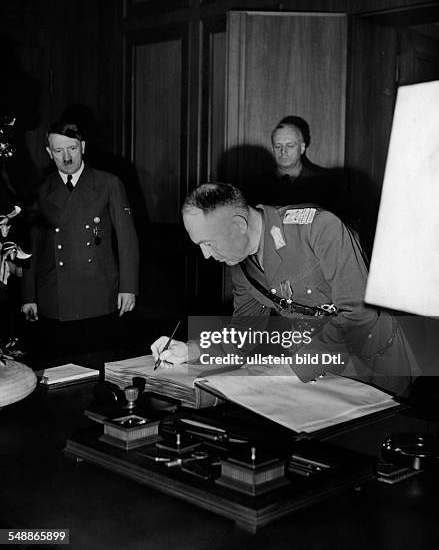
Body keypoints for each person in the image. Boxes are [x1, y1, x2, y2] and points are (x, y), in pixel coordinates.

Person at [151, 182, 419, 396]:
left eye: (208, 243)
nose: (206, 255)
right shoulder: (241, 263)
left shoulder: (317, 228)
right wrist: (192, 350)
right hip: (317, 375)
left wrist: (295, 367)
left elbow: (359, 314)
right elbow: (245, 332)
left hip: (372, 366)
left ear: (238, 226)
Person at [21, 121, 139, 363]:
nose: (66, 158)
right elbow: (31, 247)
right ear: (48, 153)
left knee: (99, 364)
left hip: (99, 292)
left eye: (72, 149)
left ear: (83, 146)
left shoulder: (108, 183)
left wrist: (129, 287)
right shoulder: (41, 191)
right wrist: (28, 296)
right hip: (55, 297)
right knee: (60, 370)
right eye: (58, 151)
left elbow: (127, 240)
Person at [257, 116, 350, 221]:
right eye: (278, 146)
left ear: (302, 148)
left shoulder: (325, 184)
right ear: (272, 149)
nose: (283, 151)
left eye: (290, 145)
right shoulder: (256, 186)